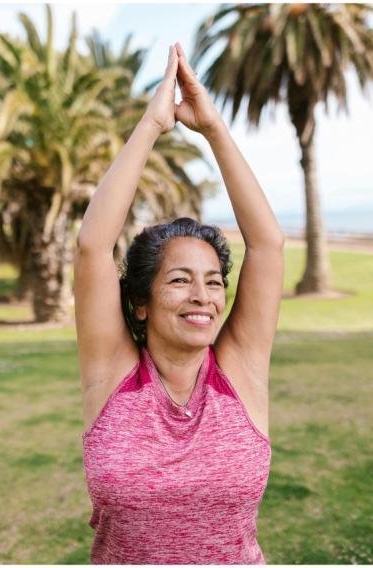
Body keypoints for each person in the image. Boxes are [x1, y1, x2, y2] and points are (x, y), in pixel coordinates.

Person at [75, 42, 284, 564]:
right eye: (180, 281)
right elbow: (93, 247)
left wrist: (213, 129)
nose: (203, 298)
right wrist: (150, 126)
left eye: (214, 282)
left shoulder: (240, 371)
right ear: (141, 303)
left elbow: (268, 246)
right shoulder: (113, 375)